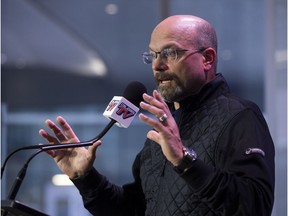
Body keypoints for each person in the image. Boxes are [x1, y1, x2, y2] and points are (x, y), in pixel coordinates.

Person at [39, 15, 275, 216]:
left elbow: (255, 206)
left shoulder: (240, 116)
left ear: (207, 58)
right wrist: (85, 178)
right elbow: (132, 210)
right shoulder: (164, 128)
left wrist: (184, 160)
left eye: (170, 53)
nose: (157, 65)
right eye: (152, 55)